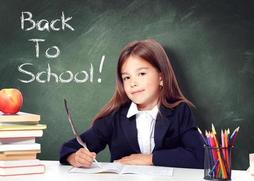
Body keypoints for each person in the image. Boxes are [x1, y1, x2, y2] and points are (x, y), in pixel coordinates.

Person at [59, 39, 204, 169]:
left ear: (161, 77)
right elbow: (69, 148)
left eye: (141, 74)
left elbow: (201, 155)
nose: (133, 83)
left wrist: (150, 159)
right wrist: (74, 157)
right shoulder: (115, 116)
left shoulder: (179, 111)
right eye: (127, 77)